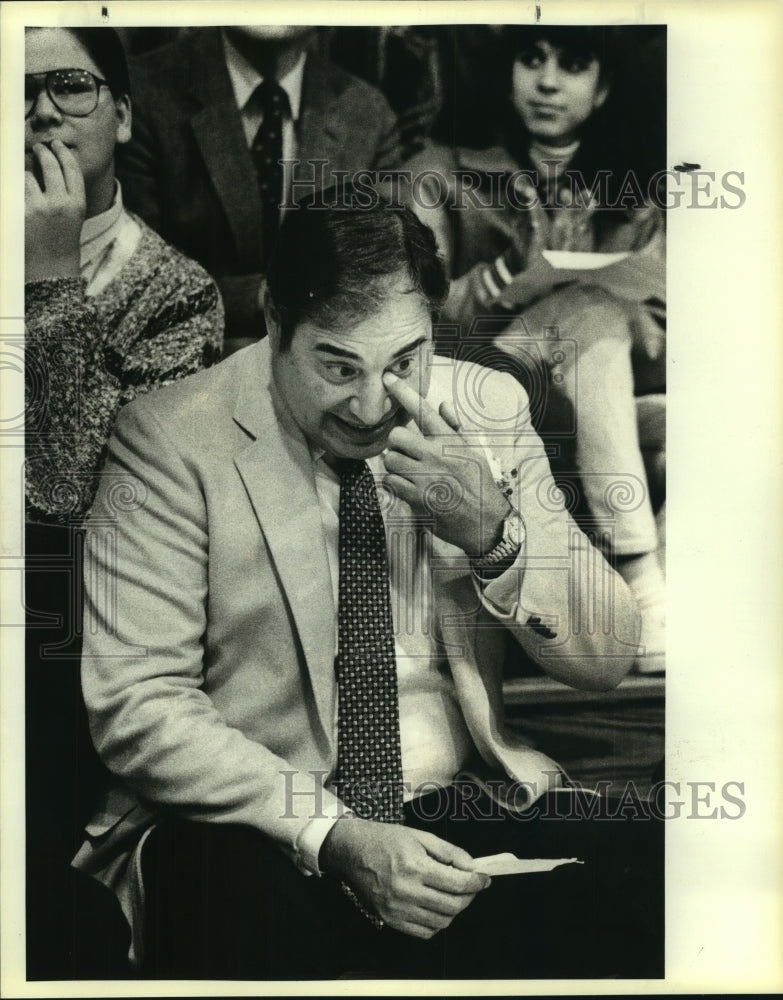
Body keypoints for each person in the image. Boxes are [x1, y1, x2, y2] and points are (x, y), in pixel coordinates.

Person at [72, 192, 662, 980]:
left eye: (403, 362)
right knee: (248, 912)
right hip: (260, 825)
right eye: (337, 366)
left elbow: (607, 656)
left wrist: (496, 536)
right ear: (274, 322)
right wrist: (337, 835)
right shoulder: (171, 436)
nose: (372, 403)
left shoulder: (484, 407)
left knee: (664, 877)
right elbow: (139, 705)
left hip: (448, 803)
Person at [24, 26, 222, 977]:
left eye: (69, 84)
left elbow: (70, 490)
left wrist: (51, 276)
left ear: (125, 113)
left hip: (74, 609)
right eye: (14, 89)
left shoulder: (177, 291)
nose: (41, 110)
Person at [405, 25, 666, 674]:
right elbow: (410, 308)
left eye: (573, 65)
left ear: (601, 88)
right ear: (508, 70)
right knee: (589, 311)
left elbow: (659, 319)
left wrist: (638, 313)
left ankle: (663, 592)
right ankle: (640, 574)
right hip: (487, 369)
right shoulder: (444, 169)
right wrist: (505, 275)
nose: (547, 82)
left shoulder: (633, 187)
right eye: (532, 59)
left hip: (599, 381)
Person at [116, 26, 403, 353]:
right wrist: (264, 296)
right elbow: (131, 286)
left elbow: (375, 280)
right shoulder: (141, 93)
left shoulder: (367, 113)